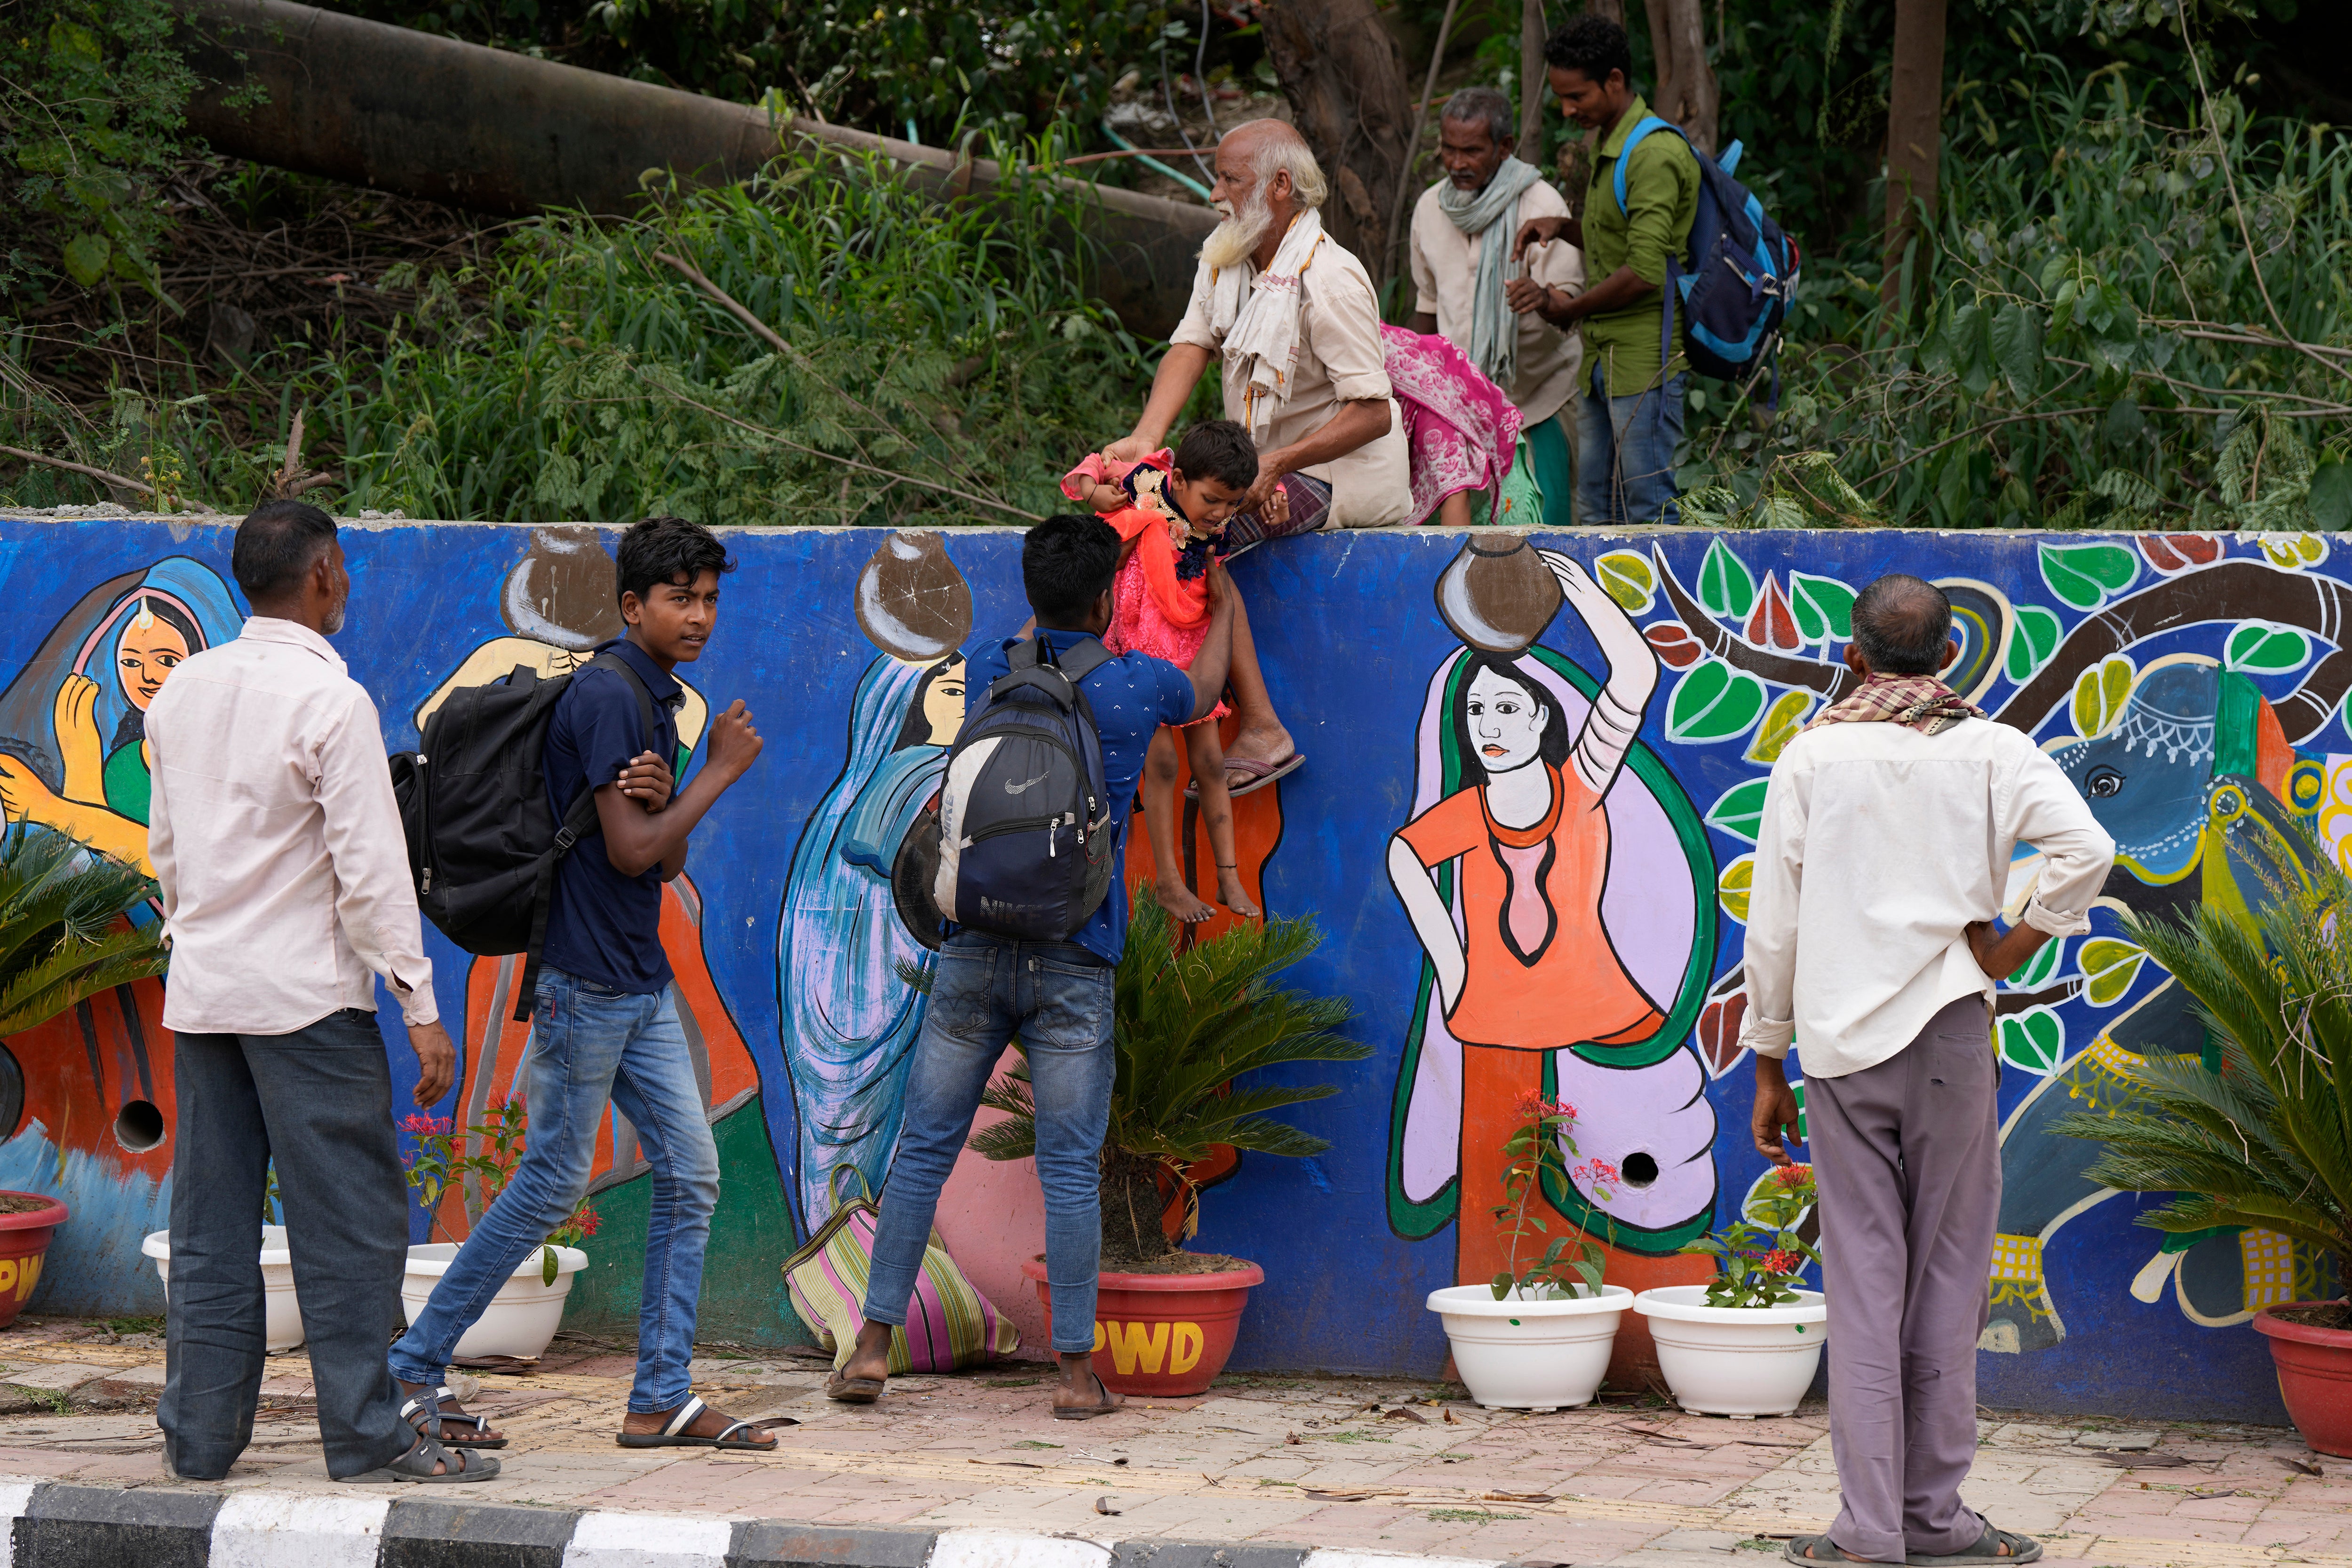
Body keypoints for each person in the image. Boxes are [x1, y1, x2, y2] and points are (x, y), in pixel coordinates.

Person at [826, 514, 1238, 1418]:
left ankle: (870, 1344)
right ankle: (1075, 1374)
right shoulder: (1136, 687)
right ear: (1104, 599)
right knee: (1068, 1165)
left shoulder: (987, 668)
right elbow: (1207, 685)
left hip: (973, 948)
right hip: (1076, 957)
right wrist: (1219, 590)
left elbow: (1027, 638)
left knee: (924, 1150)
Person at [1740, 576, 2115, 1568]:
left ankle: (1867, 1530)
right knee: (1948, 1279)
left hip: (1835, 1048)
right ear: (1950, 656)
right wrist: (2010, 948)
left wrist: (1766, 1054)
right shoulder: (1993, 749)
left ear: (1854, 656)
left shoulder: (1812, 754)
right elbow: (2088, 846)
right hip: (1950, 1036)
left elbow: (1773, 919)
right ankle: (1937, 1518)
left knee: (1865, 1284)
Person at [387, 515, 776, 1455]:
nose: (699, 615)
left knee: (693, 1171)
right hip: (585, 980)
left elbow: (658, 850)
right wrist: (717, 770)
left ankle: (660, 1398)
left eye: (709, 598)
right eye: (679, 598)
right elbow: (637, 845)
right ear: (632, 605)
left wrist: (676, 787)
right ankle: (408, 1368)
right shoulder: (609, 696)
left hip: (637, 978)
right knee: (550, 1179)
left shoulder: (656, 697)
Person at [146, 500, 490, 1484]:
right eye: (341, 570)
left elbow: (167, 850)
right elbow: (372, 869)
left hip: (207, 993)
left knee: (212, 1225)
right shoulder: (330, 703)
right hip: (305, 999)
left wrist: (197, 936)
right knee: (349, 1225)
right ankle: (367, 1432)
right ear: (325, 574)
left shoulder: (181, 693)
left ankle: (200, 1437)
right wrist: (419, 1004)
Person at [1103, 116, 1407, 798]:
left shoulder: (1329, 277)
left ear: (1278, 186)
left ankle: (1263, 727)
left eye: (1228, 179)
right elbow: (1191, 344)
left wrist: (1278, 464)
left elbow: (1373, 410)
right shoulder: (1228, 256)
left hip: (1335, 475)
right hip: (1258, 468)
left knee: (1193, 539)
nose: (1215, 193)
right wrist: (1146, 437)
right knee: (1143, 510)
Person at [1073, 419, 1264, 924]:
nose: (1222, 513)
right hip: (1138, 640)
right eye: (1213, 500)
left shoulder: (1220, 521)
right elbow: (1091, 468)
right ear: (1179, 481)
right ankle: (1168, 881)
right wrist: (1098, 494)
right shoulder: (1145, 484)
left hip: (1188, 641)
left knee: (1210, 762)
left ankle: (1228, 873)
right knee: (1158, 763)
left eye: (1233, 502)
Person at [1510, 16, 1698, 525]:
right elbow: (1614, 238)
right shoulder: (1608, 138)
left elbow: (1643, 270)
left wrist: (1569, 308)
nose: (1568, 110)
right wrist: (1561, 226)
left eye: (1577, 97)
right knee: (1592, 507)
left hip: (1643, 360)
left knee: (1647, 506)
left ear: (1614, 81)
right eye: (1561, 98)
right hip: (1599, 360)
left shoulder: (1653, 152)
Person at [1409, 85, 1587, 527]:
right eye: (1449, 149)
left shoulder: (1542, 204)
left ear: (1504, 148)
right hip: (1456, 407)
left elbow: (1572, 300)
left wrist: (1543, 300)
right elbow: (1428, 307)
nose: (1456, 163)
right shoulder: (1430, 207)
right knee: (1454, 540)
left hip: (1537, 400)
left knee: (1545, 529)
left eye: (1471, 151)